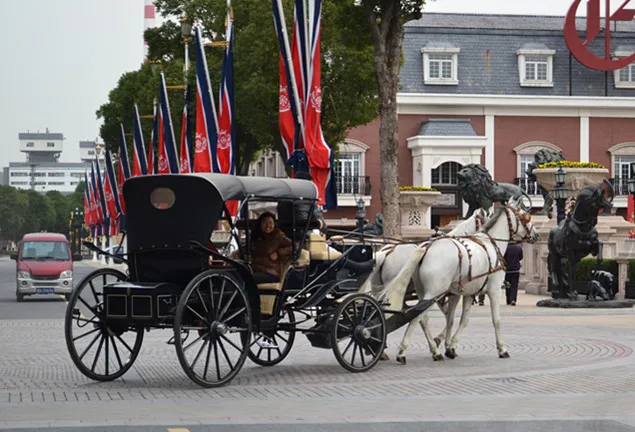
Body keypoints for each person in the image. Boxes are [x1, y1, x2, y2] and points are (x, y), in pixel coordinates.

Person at [277, 171, 327, 240]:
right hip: (302, 238)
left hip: (285, 235)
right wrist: (323, 229)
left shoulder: (284, 197)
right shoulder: (307, 200)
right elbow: (320, 222)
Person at [250, 212, 293, 285]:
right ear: (260, 224)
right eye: (265, 223)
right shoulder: (257, 238)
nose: (268, 226)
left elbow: (294, 247)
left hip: (270, 272)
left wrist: (279, 253)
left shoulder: (278, 236)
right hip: (254, 269)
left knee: (246, 278)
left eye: (270, 223)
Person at [504, 241, 524, 306]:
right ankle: (513, 299)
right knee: (514, 285)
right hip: (515, 270)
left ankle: (508, 299)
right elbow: (521, 257)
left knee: (508, 285)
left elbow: (503, 258)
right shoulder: (518, 248)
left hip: (507, 270)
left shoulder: (505, 248)